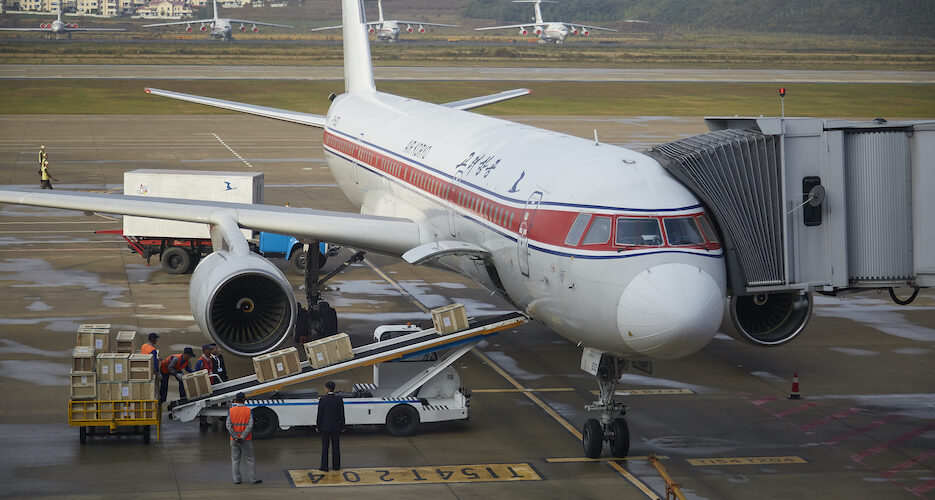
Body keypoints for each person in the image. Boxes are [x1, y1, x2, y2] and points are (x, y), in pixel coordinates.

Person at [227, 392, 261, 485]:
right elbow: (250, 426)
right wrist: (242, 437)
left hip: (234, 440)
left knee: (235, 460)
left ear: (236, 400)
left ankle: (237, 479)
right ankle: (253, 479)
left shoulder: (231, 411)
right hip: (246, 439)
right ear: (244, 400)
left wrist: (235, 437)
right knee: (250, 459)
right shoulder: (249, 411)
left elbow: (228, 425)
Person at [317, 380, 344, 472]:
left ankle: (324, 467)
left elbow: (320, 414)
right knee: (336, 447)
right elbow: (341, 414)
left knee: (325, 447)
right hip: (336, 427)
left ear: (327, 389)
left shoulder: (323, 399)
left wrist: (318, 425)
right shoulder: (339, 399)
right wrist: (342, 426)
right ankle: (336, 466)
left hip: (325, 427)